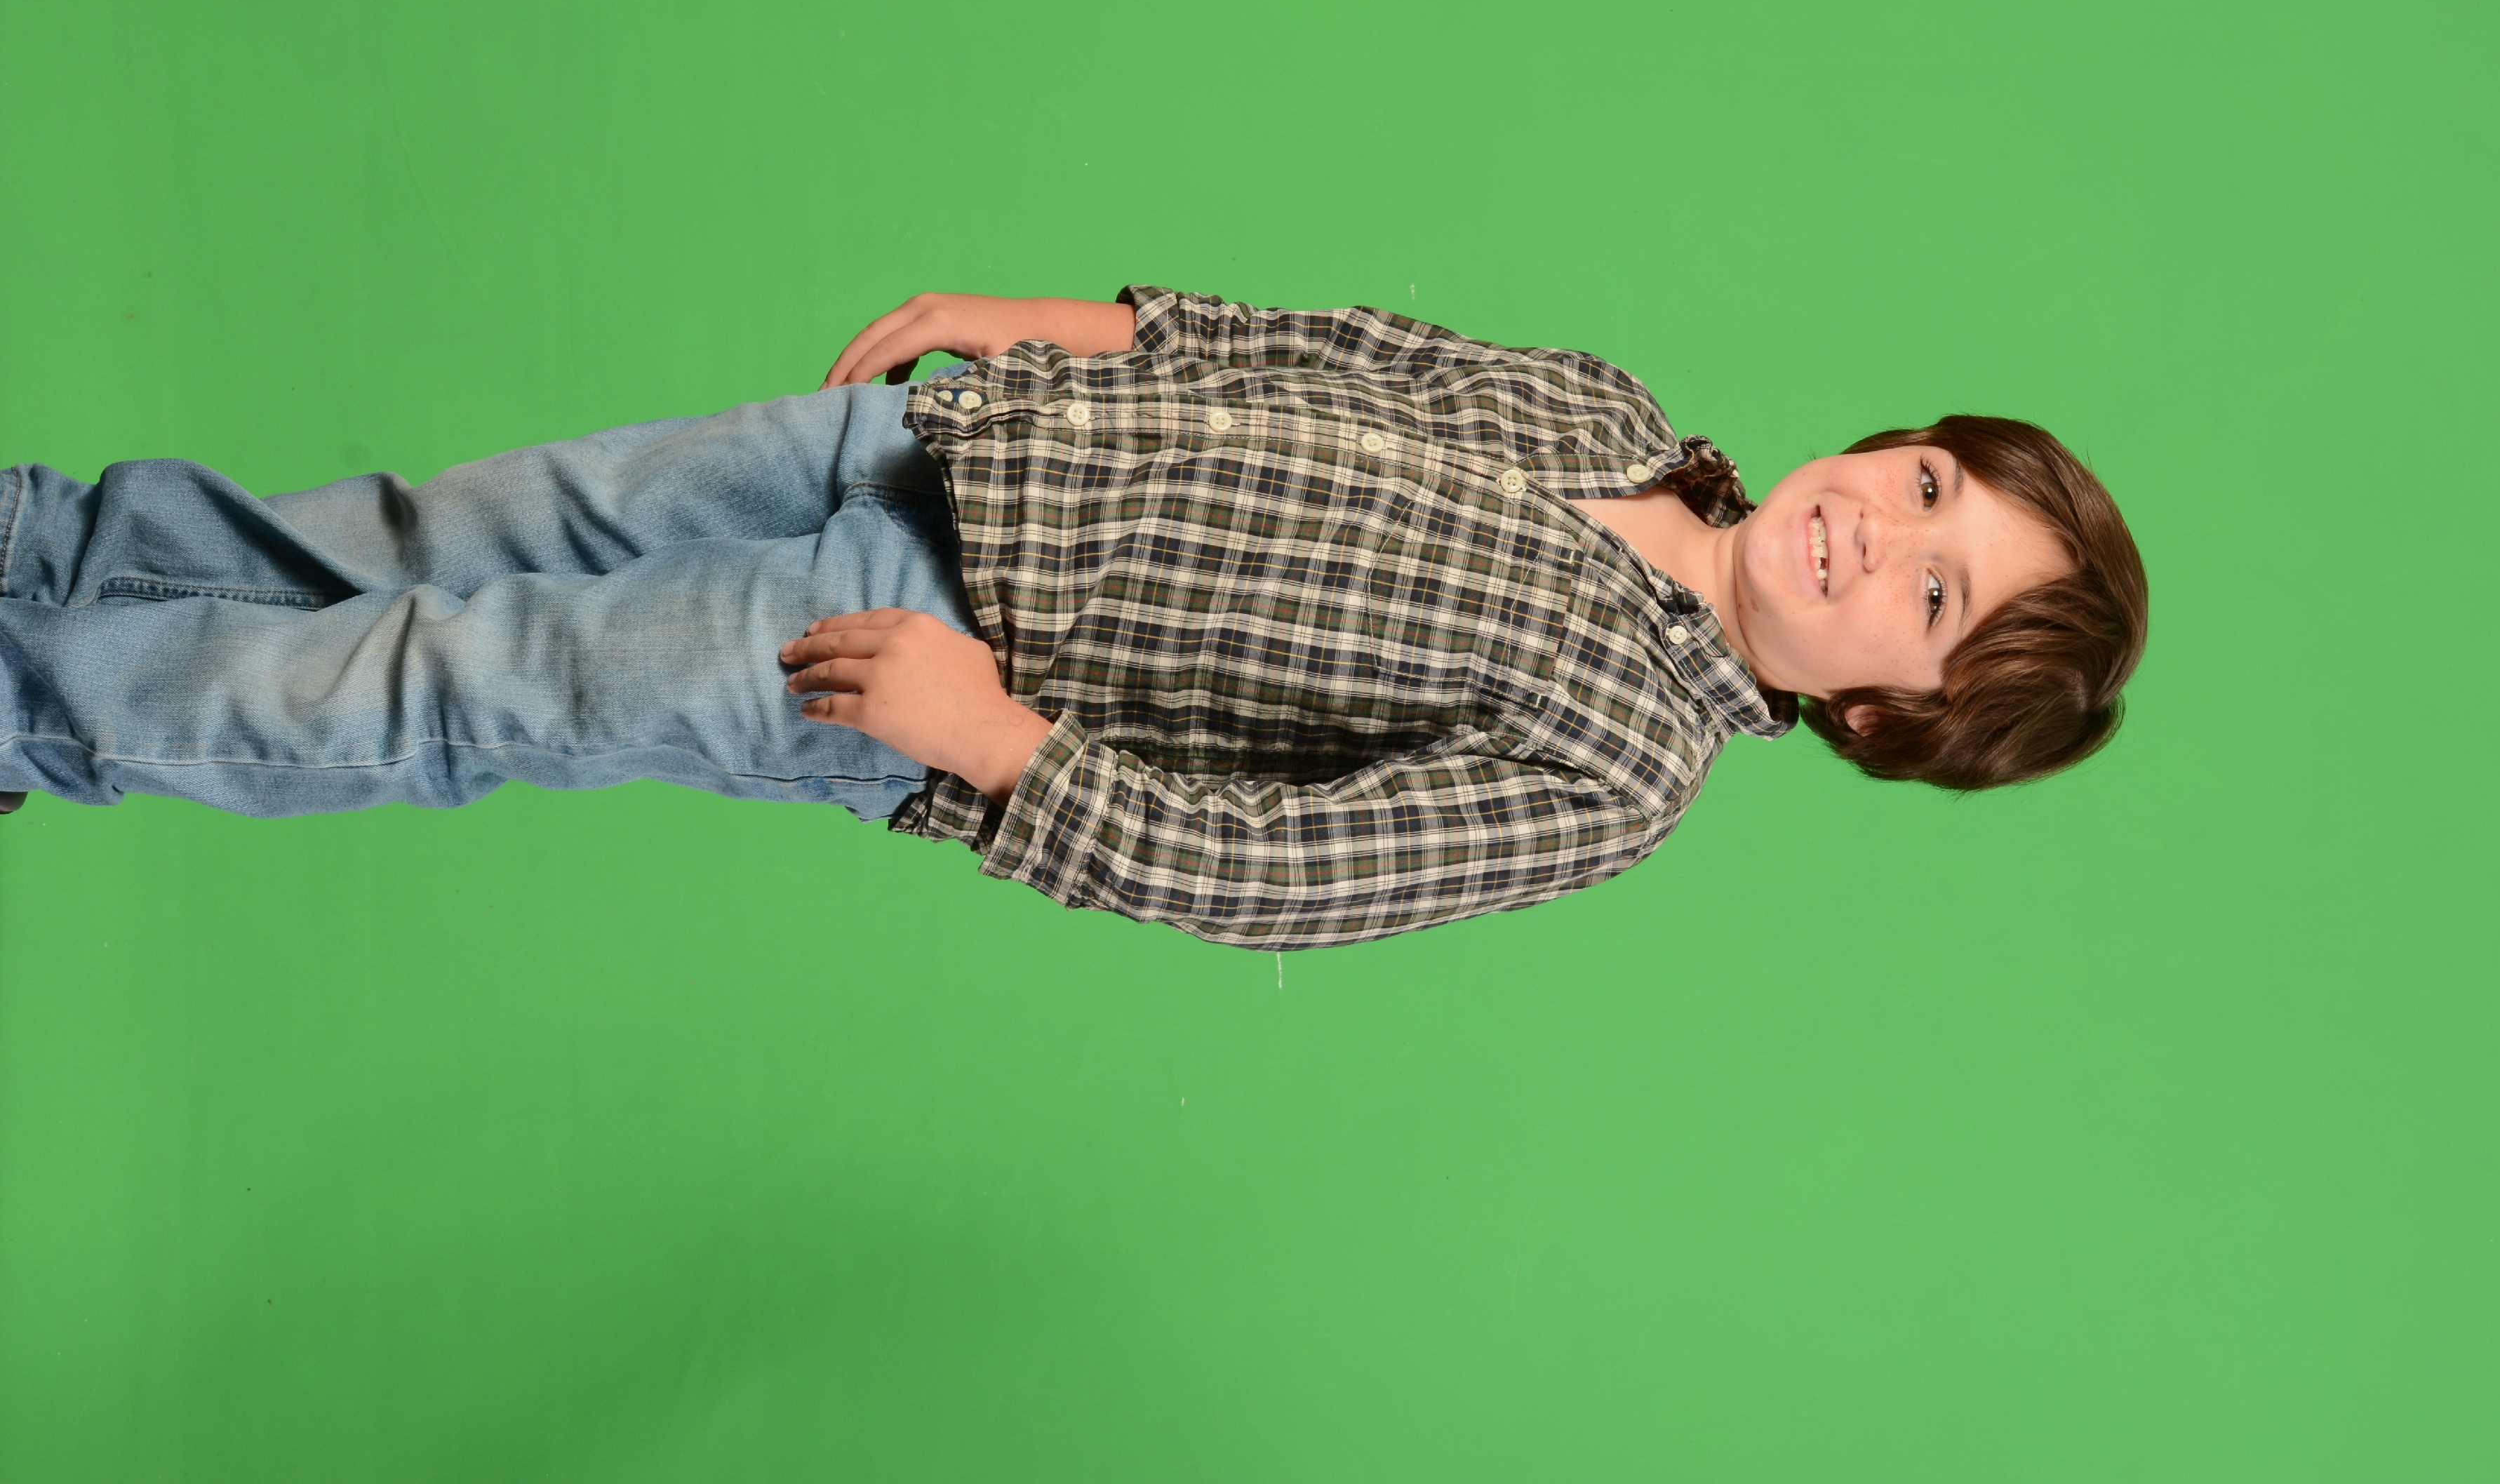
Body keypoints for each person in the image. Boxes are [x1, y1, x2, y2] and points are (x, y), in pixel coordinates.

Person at [0, 288, 2146, 948]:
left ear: (1886, 713)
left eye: (1933, 594)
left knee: (464, 680)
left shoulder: (1621, 768)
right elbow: (1319, 349)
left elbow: (1277, 873)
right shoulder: (1607, 411)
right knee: (439, 535)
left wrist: (993, 742)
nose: (1879, 533)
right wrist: (1055, 317)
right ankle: (49, 551)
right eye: (1924, 487)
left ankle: (30, 708)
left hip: (924, 664)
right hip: (925, 447)